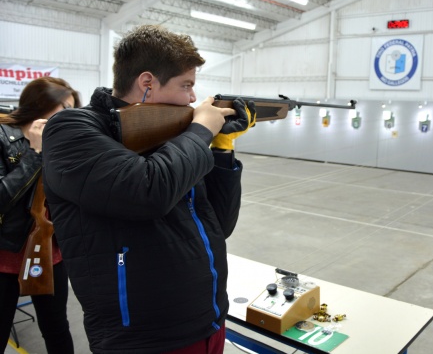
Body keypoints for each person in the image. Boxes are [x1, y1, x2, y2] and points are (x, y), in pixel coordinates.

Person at [42, 25, 255, 354]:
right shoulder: (70, 129)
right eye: (186, 85)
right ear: (147, 83)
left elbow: (218, 224)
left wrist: (221, 149)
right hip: (144, 339)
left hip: (208, 321)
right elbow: (147, 191)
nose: (193, 98)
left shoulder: (172, 138)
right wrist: (200, 132)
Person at [0, 76, 79, 353]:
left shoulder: (64, 142)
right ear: (39, 107)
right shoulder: (3, 136)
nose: (68, 117)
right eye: (63, 109)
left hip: (49, 252)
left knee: (57, 328)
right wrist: (35, 153)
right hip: (5, 256)